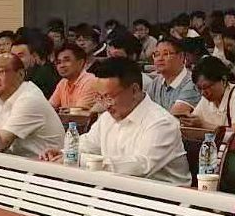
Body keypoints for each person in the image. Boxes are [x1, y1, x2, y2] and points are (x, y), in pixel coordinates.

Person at [41, 58, 191, 186]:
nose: (105, 105)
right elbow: (88, 145)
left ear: (134, 90)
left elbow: (140, 167)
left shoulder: (161, 123)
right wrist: (64, 153)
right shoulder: (107, 118)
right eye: (99, 97)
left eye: (109, 97)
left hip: (167, 199)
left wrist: (80, 160)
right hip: (119, 191)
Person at [0, 54, 65, 158]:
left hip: (44, 164)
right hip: (14, 162)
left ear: (20, 74)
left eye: (1, 72)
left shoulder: (30, 99)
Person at [185, 57, 235, 133]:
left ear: (223, 80)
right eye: (199, 88)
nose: (203, 93)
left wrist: (203, 124)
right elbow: (195, 120)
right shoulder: (206, 100)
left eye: (207, 87)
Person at [143, 39, 200, 116]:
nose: (160, 58)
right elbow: (143, 110)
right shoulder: (156, 82)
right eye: (157, 54)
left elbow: (174, 117)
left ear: (181, 57)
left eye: (166, 54)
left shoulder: (193, 82)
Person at [48, 42, 100, 112]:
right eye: (58, 62)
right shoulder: (63, 82)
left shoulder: (90, 81)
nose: (62, 65)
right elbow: (49, 107)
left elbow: (78, 112)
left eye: (67, 60)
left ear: (80, 63)